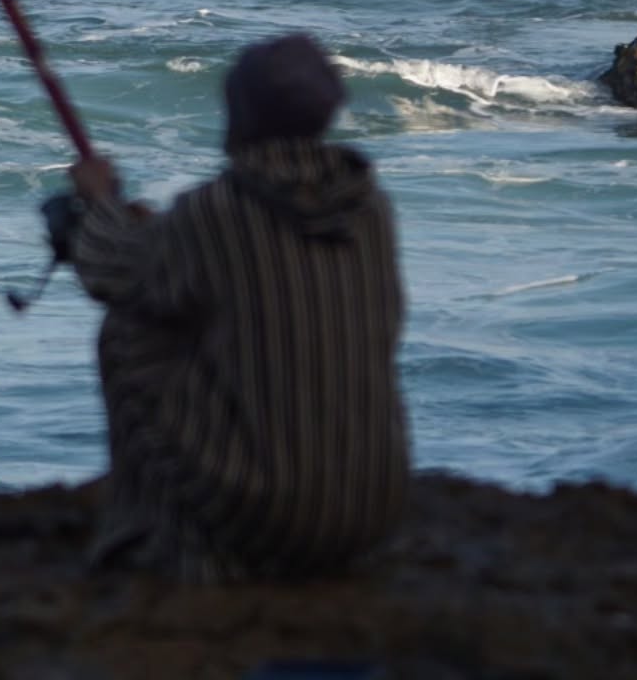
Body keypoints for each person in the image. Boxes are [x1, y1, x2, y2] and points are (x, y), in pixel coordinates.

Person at [66, 32, 409, 581]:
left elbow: (108, 270)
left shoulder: (216, 213)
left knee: (130, 328)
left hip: (268, 520)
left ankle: (156, 535)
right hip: (373, 512)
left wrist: (100, 201)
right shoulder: (370, 208)